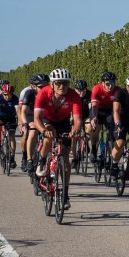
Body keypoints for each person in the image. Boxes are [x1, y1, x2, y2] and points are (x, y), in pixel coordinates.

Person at [33, 68, 83, 209]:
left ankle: (65, 194)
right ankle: (41, 163)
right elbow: (37, 119)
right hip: (47, 120)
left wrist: (74, 130)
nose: (62, 87)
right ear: (52, 84)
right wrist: (43, 130)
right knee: (50, 134)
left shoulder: (73, 96)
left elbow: (78, 120)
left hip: (63, 122)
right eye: (59, 83)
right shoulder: (43, 93)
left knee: (66, 160)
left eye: (66, 83)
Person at [18, 73, 48, 173]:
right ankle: (29, 159)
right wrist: (25, 123)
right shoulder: (29, 93)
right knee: (32, 132)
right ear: (34, 87)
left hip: (44, 116)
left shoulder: (50, 93)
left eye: (45, 86)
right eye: (40, 87)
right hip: (31, 115)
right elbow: (23, 111)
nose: (44, 88)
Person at [90, 71, 119, 174]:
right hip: (98, 110)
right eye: (107, 83)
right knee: (94, 128)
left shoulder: (117, 90)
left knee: (112, 132)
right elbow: (94, 106)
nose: (110, 86)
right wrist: (94, 117)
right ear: (102, 83)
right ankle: (93, 148)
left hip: (110, 112)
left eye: (112, 83)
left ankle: (110, 152)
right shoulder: (97, 89)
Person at [0, 82, 20, 167]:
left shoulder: (15, 98)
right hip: (1, 117)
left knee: (12, 136)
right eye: (5, 94)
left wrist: (20, 122)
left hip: (11, 118)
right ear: (2, 93)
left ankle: (12, 157)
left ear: (12, 93)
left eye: (9, 94)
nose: (7, 96)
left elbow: (18, 111)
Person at [72, 79, 92, 164]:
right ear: (75, 89)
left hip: (86, 115)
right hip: (75, 116)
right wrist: (71, 118)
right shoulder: (72, 95)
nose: (81, 93)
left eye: (83, 90)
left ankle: (85, 142)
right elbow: (69, 107)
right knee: (73, 137)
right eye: (78, 90)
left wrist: (92, 117)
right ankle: (74, 158)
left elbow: (91, 107)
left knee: (89, 127)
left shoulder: (89, 94)